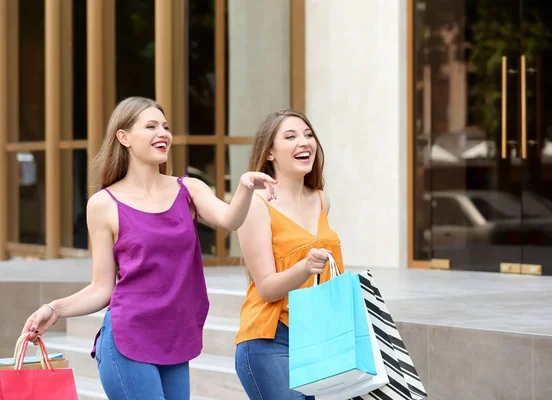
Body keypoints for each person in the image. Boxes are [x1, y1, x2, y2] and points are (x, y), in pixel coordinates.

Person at [20, 96, 277, 400]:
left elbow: (230, 219)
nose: (163, 133)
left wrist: (245, 186)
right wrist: (54, 309)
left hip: (175, 340)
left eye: (166, 127)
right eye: (151, 126)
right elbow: (102, 288)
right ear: (124, 137)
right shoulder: (103, 204)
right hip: (127, 342)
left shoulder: (189, 189)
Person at [234, 110, 344, 399]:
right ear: (269, 153)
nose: (304, 142)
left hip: (316, 335)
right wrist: (305, 267)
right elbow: (267, 288)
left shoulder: (322, 200)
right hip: (270, 339)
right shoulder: (256, 204)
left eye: (308, 135)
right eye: (291, 136)